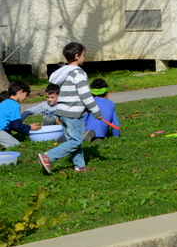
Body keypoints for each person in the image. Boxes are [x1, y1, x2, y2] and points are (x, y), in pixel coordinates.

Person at [38, 42, 103, 174]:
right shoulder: (78, 73)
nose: (85, 58)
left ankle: (80, 166)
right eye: (84, 55)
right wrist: (96, 111)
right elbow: (85, 95)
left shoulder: (65, 72)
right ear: (77, 55)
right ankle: (47, 157)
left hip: (62, 112)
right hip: (73, 113)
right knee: (76, 141)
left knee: (73, 140)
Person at [0, 81, 41, 148]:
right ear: (20, 92)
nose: (25, 98)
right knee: (15, 145)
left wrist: (27, 126)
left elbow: (13, 125)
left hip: (3, 130)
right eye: (26, 95)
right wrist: (30, 127)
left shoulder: (4, 102)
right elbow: (16, 125)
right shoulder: (14, 105)